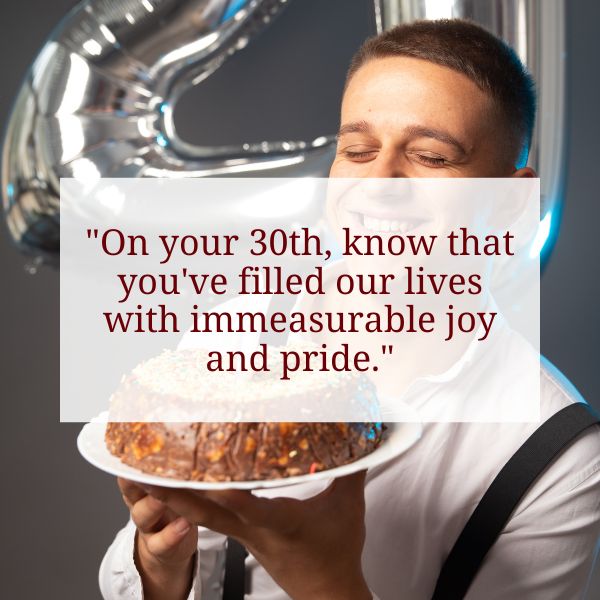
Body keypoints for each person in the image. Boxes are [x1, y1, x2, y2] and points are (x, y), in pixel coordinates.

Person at [99, 20, 600, 600]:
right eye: (357, 151)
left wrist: (324, 578)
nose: (379, 181)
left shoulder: (558, 454)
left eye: (432, 157)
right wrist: (164, 565)